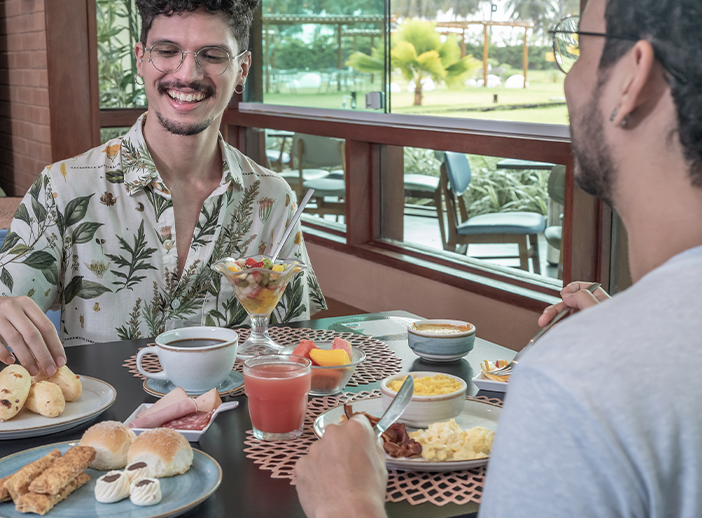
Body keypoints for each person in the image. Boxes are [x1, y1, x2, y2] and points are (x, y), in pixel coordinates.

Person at [296, 0, 702, 516]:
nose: (568, 79)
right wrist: (622, 333)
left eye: (578, 46)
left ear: (633, 77)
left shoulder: (578, 382)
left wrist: (347, 504)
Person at [0, 0, 326, 376]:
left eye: (212, 55)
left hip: (234, 415)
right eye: (167, 51)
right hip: (104, 416)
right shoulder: (64, 188)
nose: (187, 73)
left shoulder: (273, 197)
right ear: (141, 59)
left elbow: (294, 349)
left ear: (242, 69)